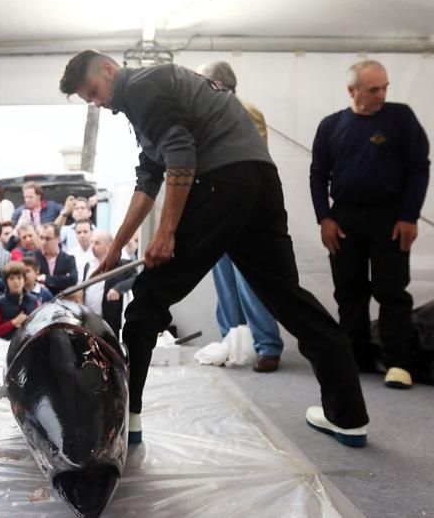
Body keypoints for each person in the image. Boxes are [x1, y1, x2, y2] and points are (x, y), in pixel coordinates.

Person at [60, 50, 369, 447]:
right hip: (260, 181)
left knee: (148, 301)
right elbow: (148, 179)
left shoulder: (140, 86)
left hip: (222, 181)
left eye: (94, 92)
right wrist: (116, 248)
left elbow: (182, 154)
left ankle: (126, 420)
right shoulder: (153, 97)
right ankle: (348, 416)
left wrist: (167, 232)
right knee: (287, 297)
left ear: (108, 69)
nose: (99, 103)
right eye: (90, 100)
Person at [311, 60, 430, 389]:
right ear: (353, 91)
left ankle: (399, 363)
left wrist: (409, 216)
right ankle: (356, 356)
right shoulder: (331, 126)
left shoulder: (400, 118)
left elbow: (419, 168)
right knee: (349, 291)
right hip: (344, 218)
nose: (382, 94)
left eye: (385, 87)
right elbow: (318, 175)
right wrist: (325, 218)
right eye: (374, 89)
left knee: (391, 291)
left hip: (390, 218)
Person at [197, 60, 284, 373]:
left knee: (250, 281)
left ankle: (268, 346)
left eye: (202, 81)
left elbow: (255, 163)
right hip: (216, 209)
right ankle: (231, 341)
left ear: (217, 84)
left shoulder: (248, 111)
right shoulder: (202, 115)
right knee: (224, 282)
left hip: (246, 210)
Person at [82, 230, 137, 337]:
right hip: (90, 321)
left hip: (109, 323)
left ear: (109, 246)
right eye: (92, 242)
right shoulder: (88, 266)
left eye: (97, 243)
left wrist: (118, 288)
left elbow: (136, 278)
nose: (93, 246)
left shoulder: (122, 265)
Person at [0, 261, 39, 340]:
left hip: (28, 344)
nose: (16, 281)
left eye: (19, 278)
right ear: (6, 281)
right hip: (4, 345)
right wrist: (13, 322)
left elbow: (39, 326)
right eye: (12, 278)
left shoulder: (34, 300)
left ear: (24, 280)